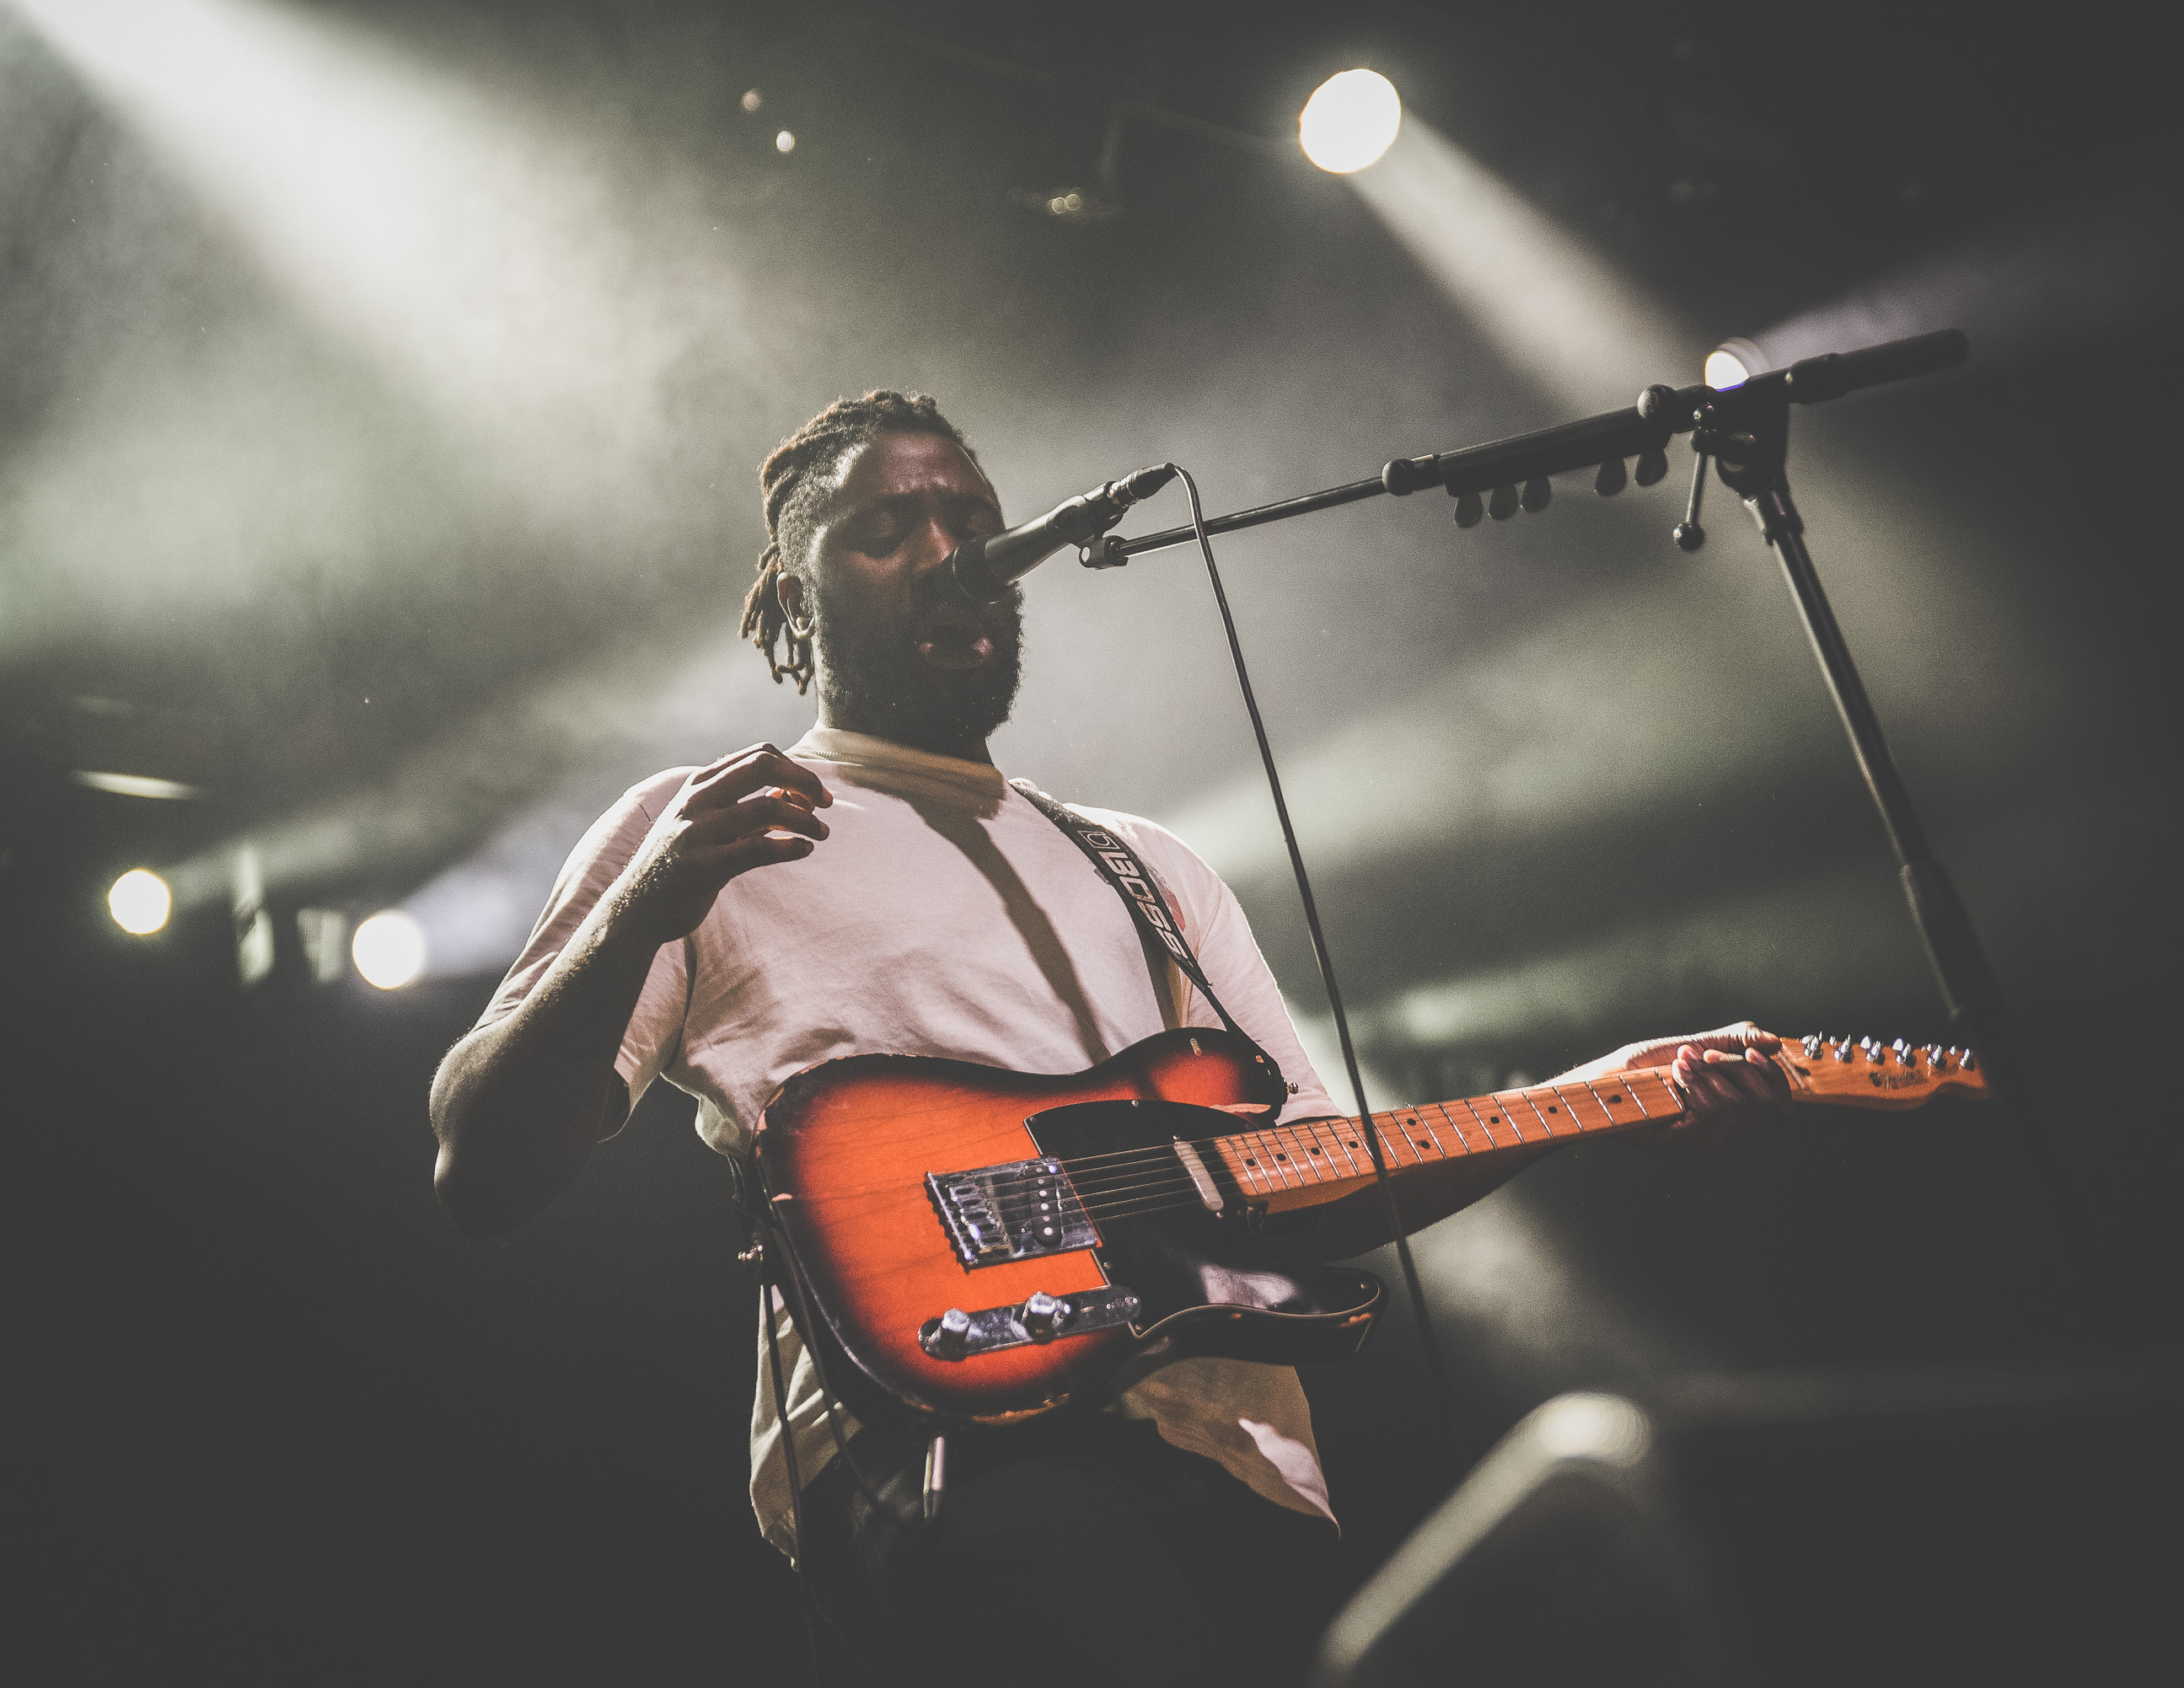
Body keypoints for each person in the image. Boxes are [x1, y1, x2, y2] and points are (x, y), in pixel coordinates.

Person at [428, 391, 1784, 1685]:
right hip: (952, 1445)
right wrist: (643, 904)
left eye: (973, 518)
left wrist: (1592, 1098)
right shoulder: (714, 825)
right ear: (794, 598)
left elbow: (1308, 1175)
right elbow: (480, 1161)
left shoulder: (1143, 864)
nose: (951, 551)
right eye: (886, 528)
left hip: (1249, 1470)